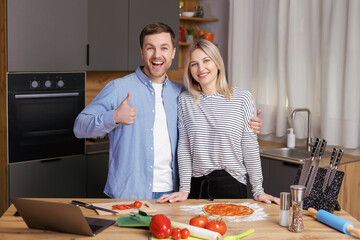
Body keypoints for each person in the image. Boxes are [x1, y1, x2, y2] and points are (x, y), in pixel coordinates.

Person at [73, 22, 263, 200]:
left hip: (173, 194)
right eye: (150, 48)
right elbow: (79, 127)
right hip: (130, 194)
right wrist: (113, 117)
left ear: (173, 53)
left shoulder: (182, 94)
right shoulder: (119, 88)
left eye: (164, 48)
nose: (157, 55)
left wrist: (247, 123)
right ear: (141, 52)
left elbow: (208, 126)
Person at [158, 39, 280, 204]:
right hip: (197, 186)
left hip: (232, 184)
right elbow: (185, 147)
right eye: (194, 64)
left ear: (217, 63)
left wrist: (258, 190)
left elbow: (249, 146)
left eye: (206, 60)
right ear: (190, 70)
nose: (201, 68)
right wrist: (184, 189)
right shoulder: (185, 101)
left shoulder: (242, 98)